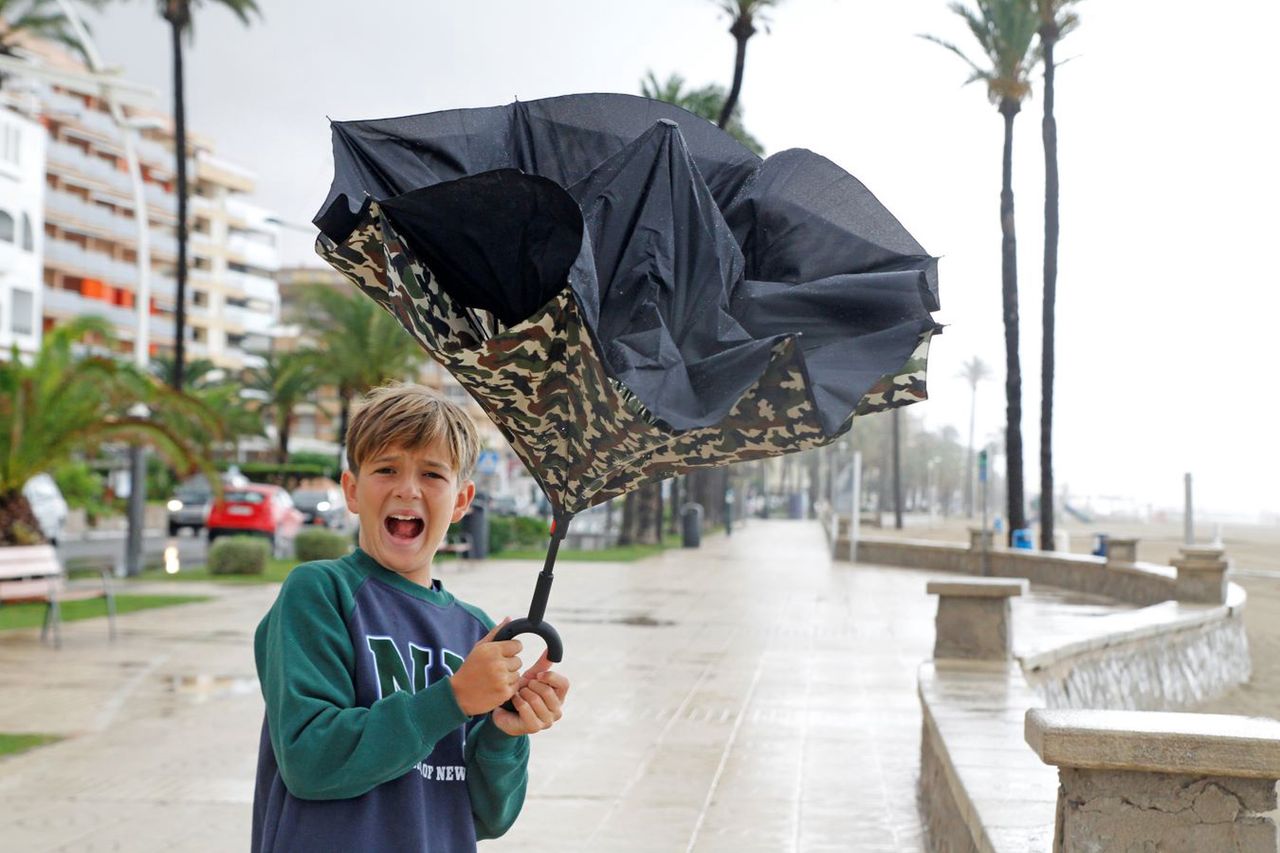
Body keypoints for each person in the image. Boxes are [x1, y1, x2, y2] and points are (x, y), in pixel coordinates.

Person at [252, 383, 569, 852]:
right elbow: (310, 761)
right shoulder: (321, 593)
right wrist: (453, 698)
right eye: (386, 469)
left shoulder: (475, 631)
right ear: (353, 491)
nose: (407, 489)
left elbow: (487, 816)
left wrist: (505, 732)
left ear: (462, 501)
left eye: (432, 475)